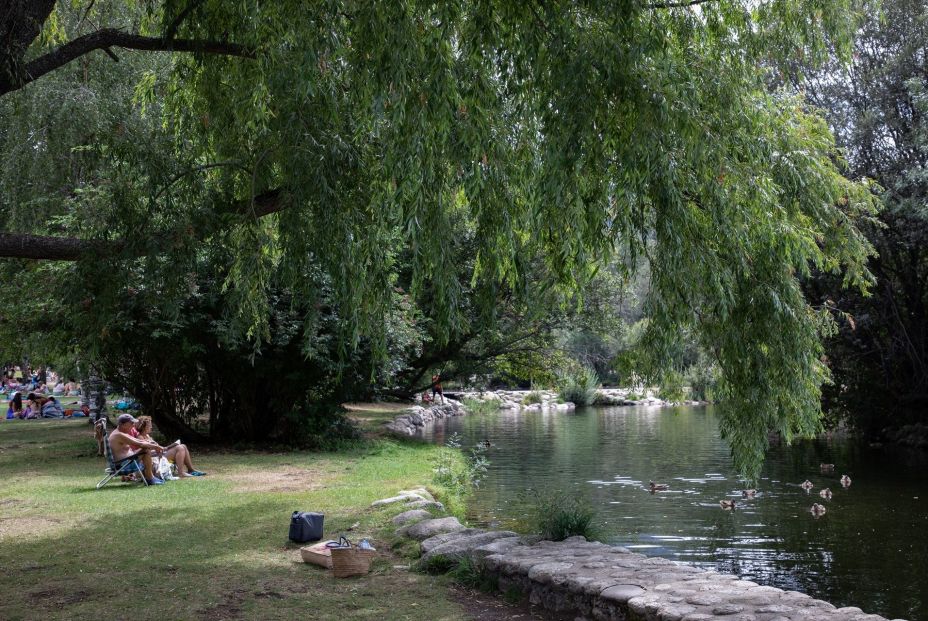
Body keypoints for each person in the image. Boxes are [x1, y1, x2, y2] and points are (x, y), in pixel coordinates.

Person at [133, 415, 206, 477]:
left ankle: (191, 470)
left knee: (183, 446)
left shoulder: (147, 436)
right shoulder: (140, 437)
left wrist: (166, 448)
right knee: (180, 448)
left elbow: (157, 447)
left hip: (159, 455)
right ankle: (181, 473)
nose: (151, 427)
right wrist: (159, 449)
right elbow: (145, 453)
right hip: (154, 460)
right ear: (144, 427)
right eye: (149, 425)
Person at [108, 413, 167, 485]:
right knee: (146, 449)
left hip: (127, 461)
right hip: (124, 465)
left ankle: (150, 477)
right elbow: (141, 444)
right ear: (123, 424)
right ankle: (150, 478)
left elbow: (139, 441)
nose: (133, 425)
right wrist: (157, 447)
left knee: (146, 447)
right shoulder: (119, 435)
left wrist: (151, 443)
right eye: (131, 423)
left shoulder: (120, 433)